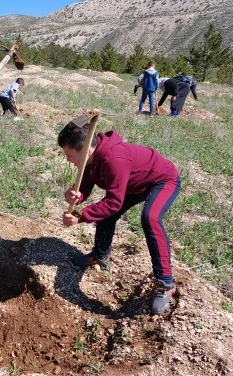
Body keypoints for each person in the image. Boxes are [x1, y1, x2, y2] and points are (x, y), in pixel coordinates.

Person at [58, 114, 181, 314]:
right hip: (133, 186)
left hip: (162, 181)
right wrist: (75, 196)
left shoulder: (114, 158)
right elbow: (85, 185)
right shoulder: (91, 159)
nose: (68, 160)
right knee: (106, 215)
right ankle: (100, 256)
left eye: (69, 155)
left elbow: (114, 202)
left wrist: (80, 217)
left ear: (86, 150)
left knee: (150, 218)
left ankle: (166, 283)